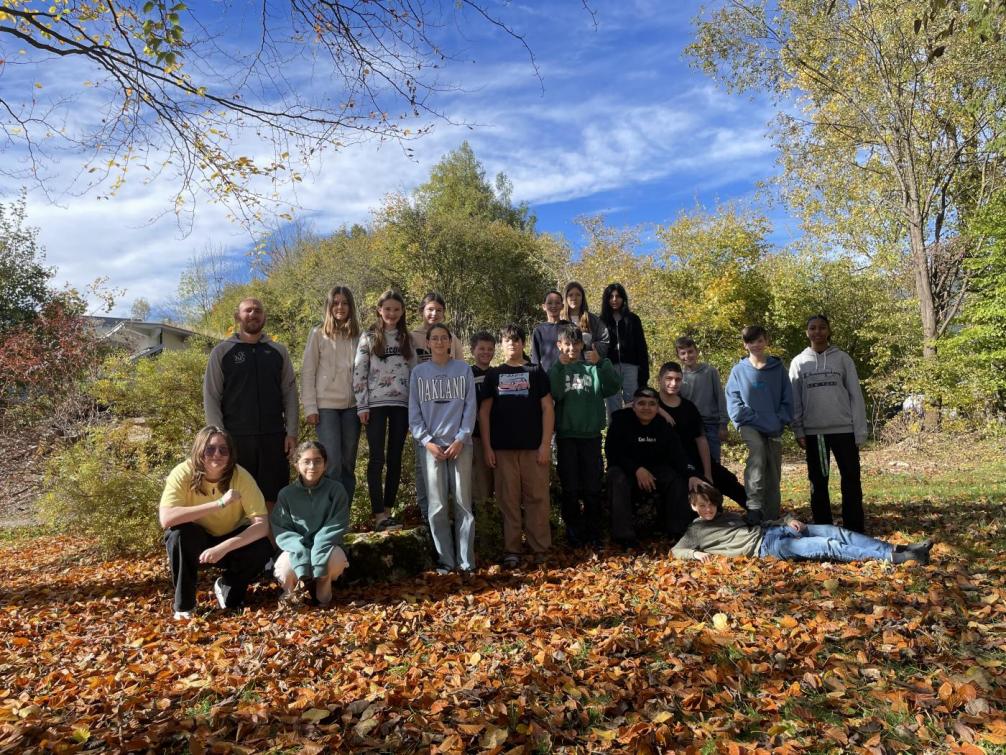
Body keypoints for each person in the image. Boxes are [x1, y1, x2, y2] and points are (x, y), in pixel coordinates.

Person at [159, 426, 273, 619]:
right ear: (199, 450)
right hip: (197, 542)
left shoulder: (241, 477)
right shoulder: (182, 473)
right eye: (210, 449)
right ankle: (184, 606)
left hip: (230, 540)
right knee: (179, 535)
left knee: (261, 548)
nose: (217, 454)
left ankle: (228, 588)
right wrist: (219, 504)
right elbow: (166, 518)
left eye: (223, 449)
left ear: (230, 454)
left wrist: (223, 547)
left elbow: (261, 525)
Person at [672, 488, 932, 565]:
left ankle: (899, 546)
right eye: (701, 506)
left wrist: (788, 520)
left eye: (710, 505)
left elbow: (762, 523)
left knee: (836, 531)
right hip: (770, 547)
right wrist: (695, 554)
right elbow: (676, 550)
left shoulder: (728, 515)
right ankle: (897, 558)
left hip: (775, 532)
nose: (707, 509)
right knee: (827, 545)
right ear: (693, 506)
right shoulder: (696, 530)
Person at [203, 297, 298, 509]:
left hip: (274, 436)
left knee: (274, 496)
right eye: (247, 310)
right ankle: (243, 541)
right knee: (237, 496)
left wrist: (291, 432)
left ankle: (271, 541)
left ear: (264, 317)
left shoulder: (278, 352)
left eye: (258, 310)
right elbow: (211, 396)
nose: (253, 314)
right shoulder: (222, 352)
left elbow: (290, 394)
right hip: (236, 438)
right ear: (238, 317)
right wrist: (219, 437)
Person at [479, 324, 554, 568]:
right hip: (502, 450)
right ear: (502, 345)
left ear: (523, 344)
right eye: (507, 340)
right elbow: (484, 414)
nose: (512, 344)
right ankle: (512, 550)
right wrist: (488, 448)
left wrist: (545, 445)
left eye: (517, 340)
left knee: (537, 499)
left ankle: (539, 548)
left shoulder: (536, 371)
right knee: (508, 501)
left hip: (534, 449)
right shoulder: (494, 374)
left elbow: (547, 409)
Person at [408, 323, 477, 573]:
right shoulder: (418, 373)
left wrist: (461, 437)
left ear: (450, 342)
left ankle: (466, 562)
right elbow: (414, 413)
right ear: (427, 343)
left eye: (443, 338)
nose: (439, 342)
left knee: (462, 504)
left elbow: (470, 407)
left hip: (461, 445)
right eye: (434, 338)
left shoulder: (463, 369)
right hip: (431, 448)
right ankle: (446, 561)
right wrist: (426, 441)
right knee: (437, 506)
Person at [789, 314, 869, 532]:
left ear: (828, 330)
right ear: (807, 332)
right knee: (818, 482)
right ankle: (823, 528)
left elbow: (855, 395)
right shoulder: (799, 362)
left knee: (851, 480)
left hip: (844, 430)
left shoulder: (842, 359)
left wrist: (860, 431)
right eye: (813, 328)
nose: (817, 332)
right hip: (816, 434)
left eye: (822, 328)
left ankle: (854, 529)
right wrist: (798, 429)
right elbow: (794, 399)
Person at [549, 323, 621, 546]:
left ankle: (594, 533)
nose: (572, 348)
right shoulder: (558, 369)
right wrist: (559, 368)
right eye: (567, 344)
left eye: (576, 344)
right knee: (570, 488)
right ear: (559, 345)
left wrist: (602, 363)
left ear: (582, 344)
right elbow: (556, 394)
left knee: (591, 487)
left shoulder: (592, 368)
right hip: (567, 436)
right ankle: (574, 533)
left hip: (590, 436)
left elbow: (612, 387)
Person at [606, 387, 707, 546]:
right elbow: (613, 453)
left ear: (657, 407)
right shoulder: (620, 421)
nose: (646, 408)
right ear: (633, 406)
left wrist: (692, 474)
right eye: (641, 403)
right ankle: (624, 537)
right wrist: (636, 469)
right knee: (616, 477)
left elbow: (678, 455)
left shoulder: (663, 426)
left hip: (655, 469)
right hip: (626, 469)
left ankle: (675, 531)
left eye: (651, 404)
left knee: (677, 479)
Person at [353, 289, 415, 530]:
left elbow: (414, 371)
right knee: (377, 459)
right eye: (387, 309)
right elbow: (359, 372)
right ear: (380, 310)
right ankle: (378, 514)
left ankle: (389, 511)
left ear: (402, 312)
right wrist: (362, 405)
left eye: (396, 309)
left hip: (401, 405)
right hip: (375, 405)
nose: (392, 313)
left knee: (395, 457)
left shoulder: (406, 338)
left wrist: (413, 408)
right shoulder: (368, 337)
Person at [657, 361, 748, 508]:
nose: (673, 383)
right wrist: (659, 410)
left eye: (678, 379)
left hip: (695, 458)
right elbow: (633, 404)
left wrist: (708, 472)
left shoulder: (688, 407)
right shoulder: (650, 403)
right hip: (671, 464)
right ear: (659, 379)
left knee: (727, 480)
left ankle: (760, 514)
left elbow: (701, 439)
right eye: (669, 379)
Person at [270, 441, 350, 607]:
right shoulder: (286, 494)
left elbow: (336, 524)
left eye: (317, 460)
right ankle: (291, 596)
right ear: (296, 465)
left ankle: (322, 593)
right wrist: (301, 551)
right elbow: (282, 529)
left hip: (326, 548)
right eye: (306, 461)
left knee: (336, 560)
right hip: (297, 549)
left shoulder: (336, 490)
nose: (312, 466)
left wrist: (317, 554)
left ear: (325, 464)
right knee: (284, 569)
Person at [725, 325, 792, 524]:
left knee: (772, 468)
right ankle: (753, 507)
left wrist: (777, 420)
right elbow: (734, 404)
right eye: (751, 341)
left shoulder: (777, 369)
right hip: (749, 424)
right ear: (745, 345)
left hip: (774, 425)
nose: (756, 345)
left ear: (766, 341)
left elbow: (787, 400)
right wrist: (757, 418)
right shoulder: (738, 370)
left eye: (759, 340)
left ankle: (770, 517)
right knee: (758, 453)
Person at [301, 285, 361, 502]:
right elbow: (308, 371)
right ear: (329, 306)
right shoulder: (318, 334)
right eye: (335, 302)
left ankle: (344, 518)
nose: (340, 307)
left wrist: (364, 406)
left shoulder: (358, 336)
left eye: (345, 303)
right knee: (332, 463)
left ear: (351, 307)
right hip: (325, 408)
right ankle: (330, 515)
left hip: (352, 408)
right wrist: (310, 407)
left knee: (348, 464)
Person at [410, 292, 465, 523]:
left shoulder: (452, 339)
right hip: (420, 410)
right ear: (423, 310)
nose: (434, 314)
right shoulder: (411, 338)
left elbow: (462, 373)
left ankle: (451, 516)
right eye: (430, 309)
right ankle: (427, 515)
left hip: (448, 412)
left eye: (439, 310)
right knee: (424, 468)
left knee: (454, 470)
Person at [675, 336, 729, 464]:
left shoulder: (710, 372)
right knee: (693, 461)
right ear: (678, 356)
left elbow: (720, 398)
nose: (687, 356)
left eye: (690, 351)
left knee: (713, 461)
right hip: (689, 425)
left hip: (710, 423)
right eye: (683, 353)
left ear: (697, 352)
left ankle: (715, 484)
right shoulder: (678, 377)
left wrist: (723, 424)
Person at [600, 283, 650, 413]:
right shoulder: (601, 321)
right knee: (613, 408)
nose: (614, 300)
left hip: (631, 368)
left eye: (618, 296)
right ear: (607, 299)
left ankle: (634, 433)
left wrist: (644, 372)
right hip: (610, 368)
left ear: (623, 299)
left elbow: (641, 346)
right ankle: (614, 432)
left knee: (634, 405)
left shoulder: (633, 319)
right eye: (611, 297)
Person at [469, 330, 497, 511]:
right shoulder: (466, 374)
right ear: (472, 350)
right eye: (481, 348)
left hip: (499, 437)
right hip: (476, 436)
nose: (486, 352)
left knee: (500, 485)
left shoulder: (499, 373)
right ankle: (484, 532)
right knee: (480, 487)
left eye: (490, 349)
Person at [561, 281, 609, 360]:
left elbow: (605, 341)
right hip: (565, 367)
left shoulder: (593, 320)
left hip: (587, 368)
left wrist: (588, 346)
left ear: (583, 298)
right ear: (565, 298)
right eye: (570, 295)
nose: (574, 298)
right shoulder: (560, 319)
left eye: (578, 295)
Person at [531, 289, 566, 374]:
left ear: (562, 306)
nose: (554, 306)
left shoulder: (569, 327)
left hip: (568, 376)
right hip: (546, 377)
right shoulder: (538, 330)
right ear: (544, 306)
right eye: (550, 303)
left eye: (557, 303)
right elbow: (535, 360)